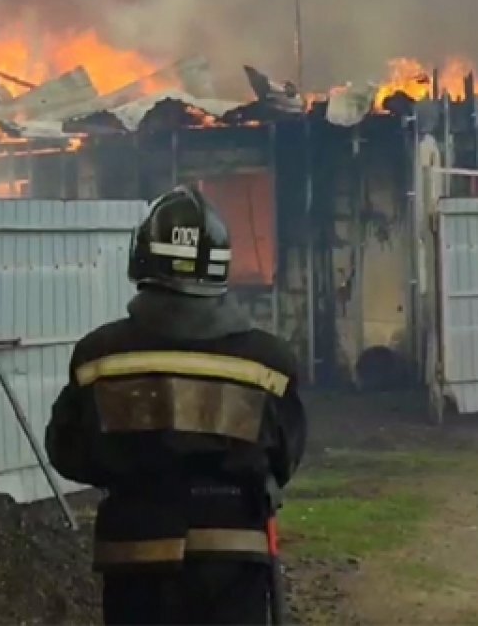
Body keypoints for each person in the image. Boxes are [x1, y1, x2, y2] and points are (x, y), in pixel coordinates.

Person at [45, 184, 307, 625]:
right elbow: (284, 455)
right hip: (234, 554)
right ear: (221, 265)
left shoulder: (100, 356)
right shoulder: (269, 362)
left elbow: (68, 453)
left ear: (142, 259)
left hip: (134, 552)